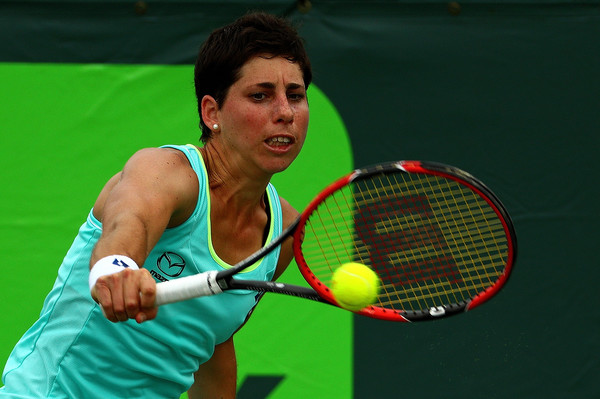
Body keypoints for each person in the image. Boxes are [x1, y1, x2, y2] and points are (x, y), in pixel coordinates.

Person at [1, 11, 312, 398]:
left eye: (295, 96)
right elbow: (127, 224)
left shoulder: (282, 233)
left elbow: (212, 346)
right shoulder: (166, 172)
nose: (284, 112)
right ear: (212, 112)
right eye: (260, 96)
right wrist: (118, 269)